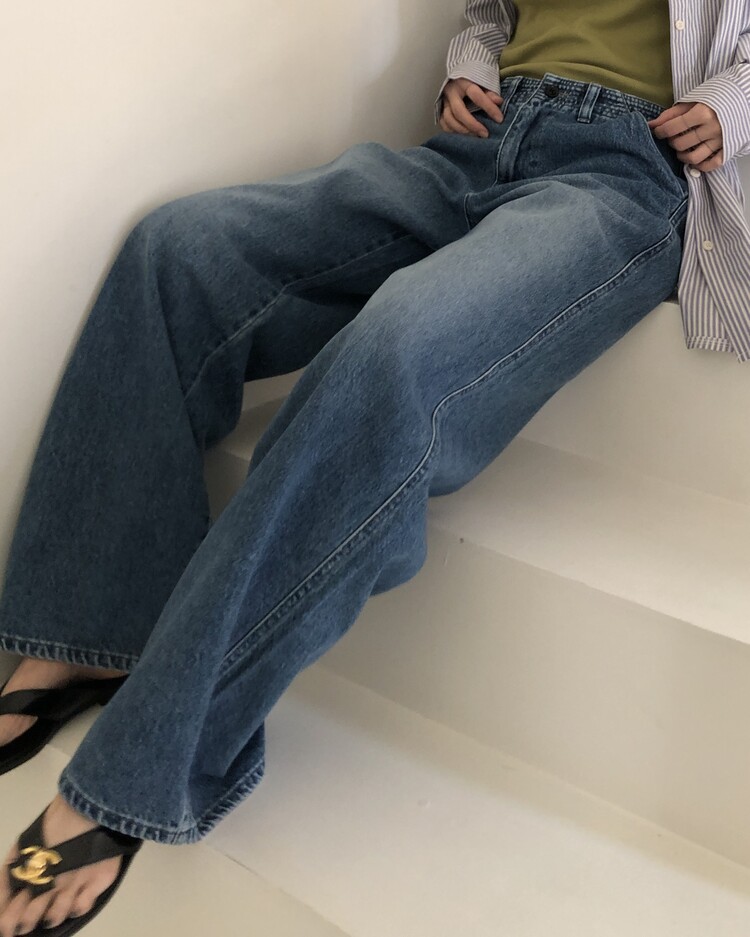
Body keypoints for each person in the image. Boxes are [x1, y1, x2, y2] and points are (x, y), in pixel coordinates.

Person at [0, 0, 742, 934]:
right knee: (178, 251)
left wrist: (734, 105)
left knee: (391, 353)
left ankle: (148, 760)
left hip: (625, 174)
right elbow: (494, 12)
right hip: (486, 141)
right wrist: (469, 64)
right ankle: (82, 633)